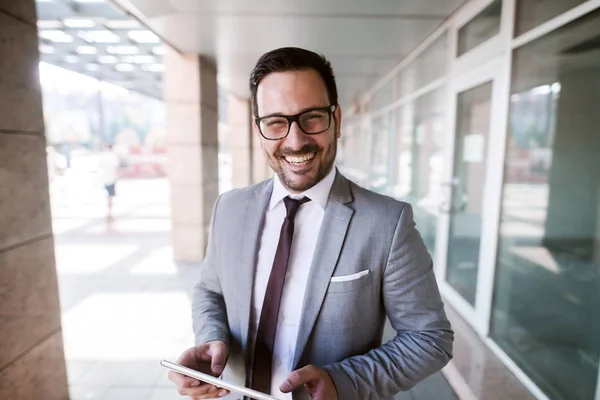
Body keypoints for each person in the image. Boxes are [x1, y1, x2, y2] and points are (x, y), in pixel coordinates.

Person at [168, 47, 453, 400]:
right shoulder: (229, 208)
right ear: (259, 130)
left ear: (337, 120)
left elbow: (430, 338)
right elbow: (210, 291)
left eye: (312, 117)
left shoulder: (387, 222)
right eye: (275, 122)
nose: (295, 140)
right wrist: (211, 340)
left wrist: (344, 381)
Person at [97, 144, 120, 220]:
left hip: (103, 178)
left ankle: (107, 212)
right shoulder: (113, 156)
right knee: (110, 196)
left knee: (106, 195)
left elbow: (99, 167)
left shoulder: (102, 156)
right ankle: (109, 212)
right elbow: (116, 167)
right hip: (111, 178)